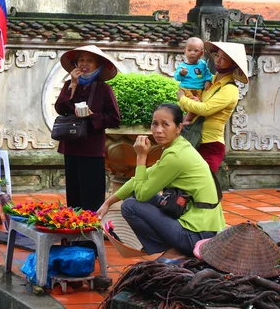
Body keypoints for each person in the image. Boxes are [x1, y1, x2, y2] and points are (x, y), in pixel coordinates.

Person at [96, 104, 226, 262]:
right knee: (139, 195)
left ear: (178, 128)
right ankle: (173, 247)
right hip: (200, 226)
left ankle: (173, 249)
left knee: (130, 205)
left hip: (196, 235)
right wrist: (108, 203)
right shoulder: (178, 147)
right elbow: (140, 179)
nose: (158, 130)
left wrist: (141, 157)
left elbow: (142, 194)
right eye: (154, 123)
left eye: (165, 124)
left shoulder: (175, 156)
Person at [55, 45, 121, 212]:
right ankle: (74, 233)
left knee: (92, 196)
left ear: (97, 65)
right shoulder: (69, 84)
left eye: (90, 60)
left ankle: (90, 235)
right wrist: (73, 86)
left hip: (92, 148)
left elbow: (114, 119)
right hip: (71, 146)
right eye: (81, 60)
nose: (84, 64)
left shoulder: (103, 88)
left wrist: (92, 115)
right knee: (74, 194)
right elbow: (60, 108)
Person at [177, 41, 249, 175]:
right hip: (194, 139)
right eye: (217, 55)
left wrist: (182, 99)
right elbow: (198, 104)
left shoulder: (230, 90)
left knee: (202, 186)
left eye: (224, 59)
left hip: (211, 145)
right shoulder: (209, 82)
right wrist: (194, 99)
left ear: (233, 65)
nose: (218, 60)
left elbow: (205, 109)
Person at [174, 37, 213, 125]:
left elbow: (207, 74)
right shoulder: (182, 66)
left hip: (199, 90)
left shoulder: (202, 64)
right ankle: (187, 119)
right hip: (186, 89)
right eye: (189, 50)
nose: (192, 53)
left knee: (196, 104)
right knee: (193, 103)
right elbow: (177, 77)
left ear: (201, 53)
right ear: (185, 51)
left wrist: (208, 80)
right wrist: (181, 74)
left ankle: (187, 118)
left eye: (196, 51)